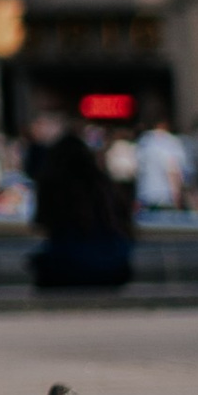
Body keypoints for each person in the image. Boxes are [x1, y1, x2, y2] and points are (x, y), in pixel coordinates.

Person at [24, 104, 132, 290]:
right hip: (112, 265)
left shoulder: (52, 183)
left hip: (67, 265)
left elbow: (40, 223)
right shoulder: (103, 186)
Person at [131, 110, 189, 216]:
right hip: (165, 197)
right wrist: (177, 198)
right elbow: (173, 170)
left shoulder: (143, 142)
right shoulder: (171, 142)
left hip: (144, 196)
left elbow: (135, 170)